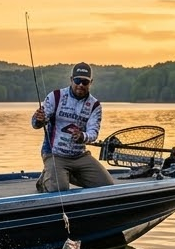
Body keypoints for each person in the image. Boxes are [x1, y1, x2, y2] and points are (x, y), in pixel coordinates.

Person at [31, 63, 115, 192]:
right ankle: (45, 181)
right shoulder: (55, 96)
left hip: (80, 155)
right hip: (54, 154)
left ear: (90, 82)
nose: (81, 84)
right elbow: (37, 123)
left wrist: (82, 136)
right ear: (71, 80)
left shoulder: (95, 105)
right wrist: (38, 120)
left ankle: (64, 174)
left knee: (107, 186)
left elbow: (93, 133)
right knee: (60, 189)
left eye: (85, 82)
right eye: (77, 80)